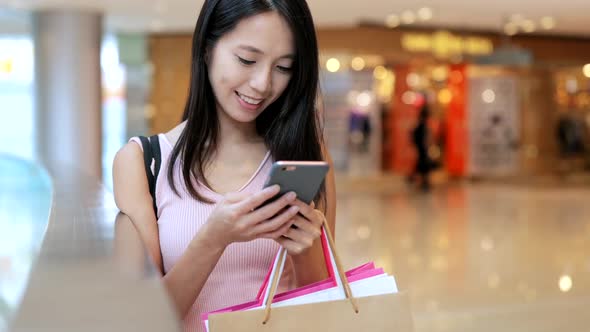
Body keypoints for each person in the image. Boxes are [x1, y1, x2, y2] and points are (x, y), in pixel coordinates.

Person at [112, 1, 335, 331]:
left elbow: (325, 313)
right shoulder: (143, 163)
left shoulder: (305, 153)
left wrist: (307, 252)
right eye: (247, 59)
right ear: (206, 48)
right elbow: (144, 319)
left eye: (283, 67)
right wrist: (213, 240)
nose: (262, 83)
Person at [409, 103, 432, 191]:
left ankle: (417, 179)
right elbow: (422, 137)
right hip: (422, 147)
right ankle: (423, 182)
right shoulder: (422, 125)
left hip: (421, 147)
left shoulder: (421, 124)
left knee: (421, 164)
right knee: (423, 164)